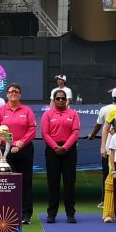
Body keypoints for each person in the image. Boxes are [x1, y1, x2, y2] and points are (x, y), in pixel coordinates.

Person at [0, 83, 38, 218]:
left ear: (20, 94)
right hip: (5, 151)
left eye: (17, 91)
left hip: (24, 150)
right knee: (7, 182)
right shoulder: (0, 110)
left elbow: (32, 130)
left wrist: (21, 144)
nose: (14, 93)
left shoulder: (27, 110)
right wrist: (11, 144)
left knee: (25, 181)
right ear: (7, 94)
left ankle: (25, 214)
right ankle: (8, 213)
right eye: (11, 91)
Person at [41, 89, 80, 224]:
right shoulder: (47, 114)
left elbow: (75, 133)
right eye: (58, 98)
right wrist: (56, 147)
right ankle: (51, 214)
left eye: (63, 98)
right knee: (53, 184)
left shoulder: (73, 114)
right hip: (53, 150)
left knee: (69, 183)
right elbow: (45, 133)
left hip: (69, 151)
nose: (60, 101)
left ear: (67, 100)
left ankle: (70, 214)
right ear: (54, 100)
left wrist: (65, 147)